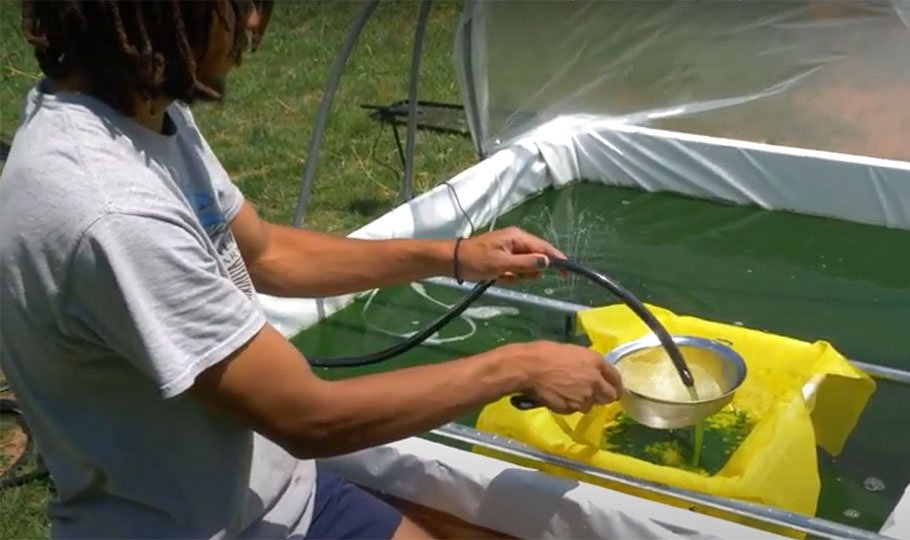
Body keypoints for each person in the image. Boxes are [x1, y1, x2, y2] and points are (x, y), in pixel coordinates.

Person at [0, 2, 623, 539]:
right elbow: (309, 417)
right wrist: (516, 365)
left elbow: (266, 253)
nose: (251, 19)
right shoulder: (110, 211)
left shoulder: (145, 115)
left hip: (275, 496)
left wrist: (455, 257)